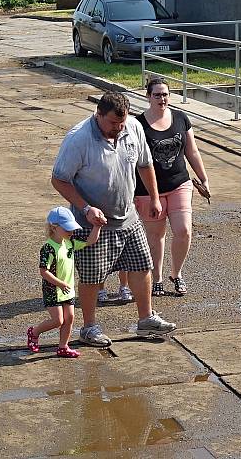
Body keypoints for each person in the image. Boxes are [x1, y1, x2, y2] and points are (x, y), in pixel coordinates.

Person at [51, 91, 177, 347]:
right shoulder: (79, 139)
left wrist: (153, 197)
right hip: (91, 221)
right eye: (112, 124)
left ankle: (146, 319)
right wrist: (85, 208)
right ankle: (88, 328)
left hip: (127, 215)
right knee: (92, 277)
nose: (118, 129)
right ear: (98, 114)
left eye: (122, 123)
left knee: (142, 265)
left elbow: (144, 164)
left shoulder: (132, 127)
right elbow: (59, 179)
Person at [135, 77, 210, 296]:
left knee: (184, 230)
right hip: (149, 190)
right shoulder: (138, 124)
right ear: (148, 96)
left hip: (180, 183)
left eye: (165, 94)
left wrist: (203, 179)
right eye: (157, 94)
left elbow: (192, 151)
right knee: (156, 236)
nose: (162, 98)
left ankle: (176, 274)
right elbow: (132, 160)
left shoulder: (180, 118)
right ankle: (156, 278)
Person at [27, 207, 101, 358]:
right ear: (54, 228)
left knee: (70, 318)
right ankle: (34, 332)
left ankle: (63, 346)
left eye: (72, 228)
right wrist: (59, 283)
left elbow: (90, 241)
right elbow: (44, 271)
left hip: (68, 289)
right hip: (53, 289)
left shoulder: (70, 243)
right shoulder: (48, 248)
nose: (71, 231)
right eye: (67, 228)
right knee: (58, 320)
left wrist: (97, 226)